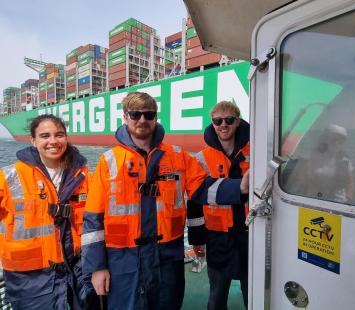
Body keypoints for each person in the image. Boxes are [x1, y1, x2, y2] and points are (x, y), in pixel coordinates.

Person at [81, 92, 249, 310]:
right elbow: (92, 220)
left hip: (168, 255)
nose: (142, 120)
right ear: (125, 117)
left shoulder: (177, 156)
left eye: (148, 115)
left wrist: (239, 187)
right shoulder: (108, 161)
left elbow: (203, 188)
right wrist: (97, 267)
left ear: (155, 118)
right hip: (123, 259)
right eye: (135, 114)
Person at [0, 114, 98, 309]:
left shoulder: (86, 177)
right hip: (30, 282)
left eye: (59, 135)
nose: (53, 141)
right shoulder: (9, 177)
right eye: (45, 136)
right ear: (33, 141)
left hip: (79, 273)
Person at [187, 101, 250, 310]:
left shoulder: (257, 151)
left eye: (229, 120)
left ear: (238, 121)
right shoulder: (201, 158)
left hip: (251, 235)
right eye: (217, 121)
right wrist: (197, 240)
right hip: (217, 237)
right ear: (212, 124)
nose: (223, 124)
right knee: (217, 295)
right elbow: (195, 203)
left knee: (253, 292)